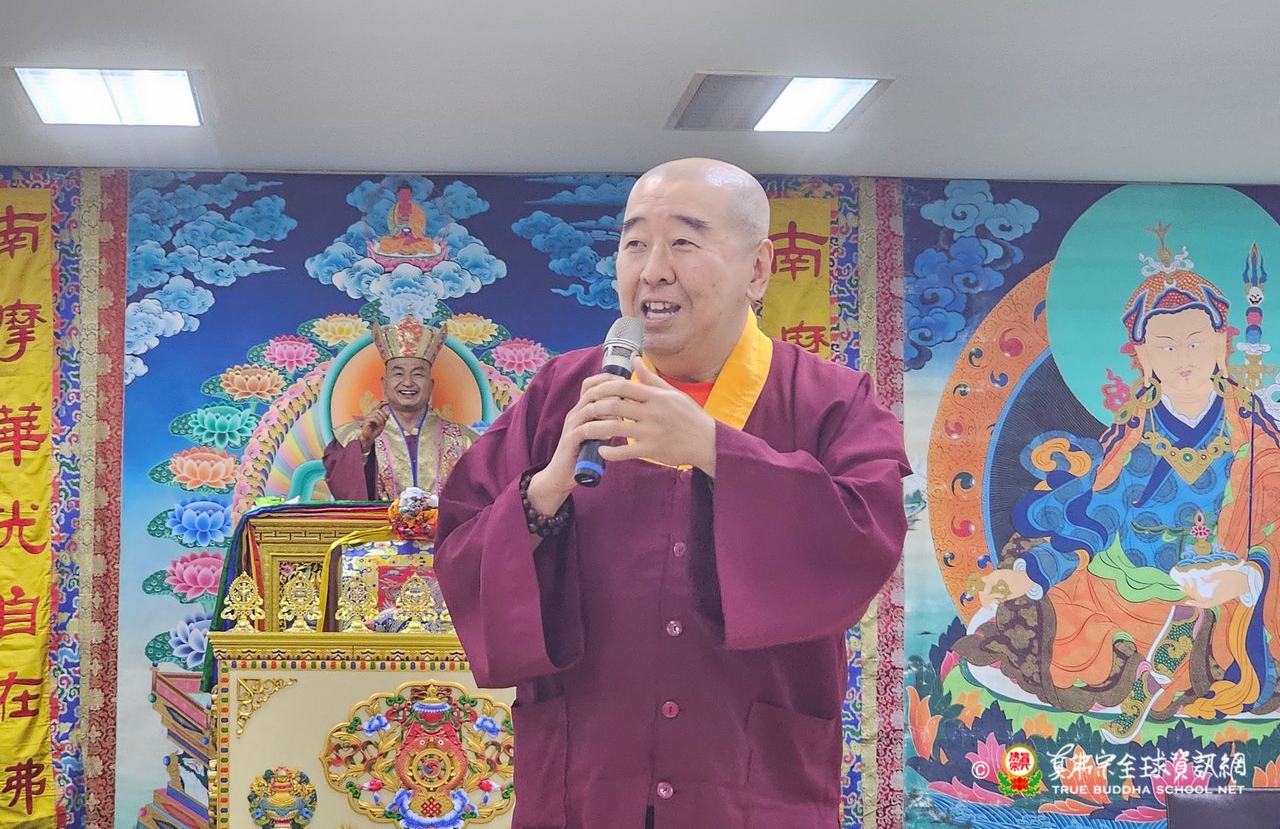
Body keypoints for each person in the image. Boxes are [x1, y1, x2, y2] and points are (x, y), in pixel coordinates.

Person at [435, 158, 909, 828]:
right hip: (586, 780)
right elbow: (460, 549)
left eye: (684, 241)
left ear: (757, 268)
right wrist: (542, 493)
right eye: (634, 243)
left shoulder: (829, 402)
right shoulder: (560, 396)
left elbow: (863, 543)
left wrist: (717, 451)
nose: (653, 269)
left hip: (749, 781)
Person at [966, 226, 1280, 744]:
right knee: (1059, 615)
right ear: (1144, 358)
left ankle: (1180, 663)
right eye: (1166, 345)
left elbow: (1272, 515)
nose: (1184, 358)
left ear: (1222, 346)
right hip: (1131, 582)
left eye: (1196, 341)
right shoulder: (1138, 432)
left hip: (1229, 589)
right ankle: (1149, 671)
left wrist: (1248, 577)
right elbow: (1099, 515)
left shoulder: (1251, 432)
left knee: (1227, 623)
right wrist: (1031, 574)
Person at [322, 313, 475, 501]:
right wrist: (363, 445)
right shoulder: (352, 437)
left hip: (443, 522)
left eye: (418, 374)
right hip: (379, 522)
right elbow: (342, 492)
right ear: (384, 384)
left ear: (431, 385)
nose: (408, 382)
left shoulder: (464, 440)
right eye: (398, 374)